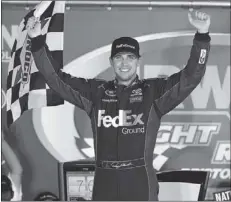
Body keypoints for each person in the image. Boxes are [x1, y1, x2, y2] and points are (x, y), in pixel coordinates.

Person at [27, 9, 211, 201]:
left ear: (138, 61)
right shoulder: (96, 93)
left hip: (140, 183)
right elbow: (56, 79)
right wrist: (37, 40)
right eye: (119, 57)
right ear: (111, 62)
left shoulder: (153, 92)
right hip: (104, 183)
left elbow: (191, 77)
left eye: (130, 57)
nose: (124, 63)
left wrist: (203, 36)